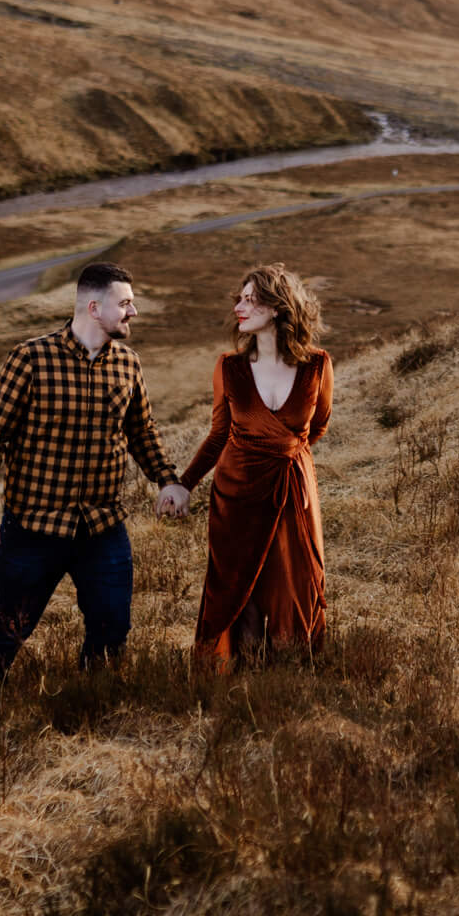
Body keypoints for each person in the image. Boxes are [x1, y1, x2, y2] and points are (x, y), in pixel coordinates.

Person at [0, 261, 187, 680]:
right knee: (13, 626)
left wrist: (168, 480)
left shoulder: (128, 364)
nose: (133, 312)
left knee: (112, 628)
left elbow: (142, 431)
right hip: (34, 528)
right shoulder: (30, 359)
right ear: (93, 307)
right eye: (125, 304)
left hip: (102, 528)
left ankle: (92, 704)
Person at [158, 264, 333, 667]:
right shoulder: (230, 368)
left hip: (293, 492)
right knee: (241, 588)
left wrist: (282, 451)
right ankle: (242, 672)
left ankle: (290, 672)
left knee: (295, 582)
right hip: (235, 492)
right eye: (240, 297)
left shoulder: (317, 365)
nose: (239, 306)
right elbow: (219, 435)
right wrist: (184, 484)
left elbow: (317, 425)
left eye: (250, 299)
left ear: (277, 307)